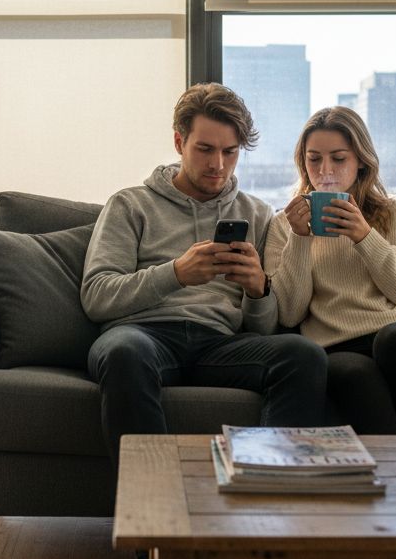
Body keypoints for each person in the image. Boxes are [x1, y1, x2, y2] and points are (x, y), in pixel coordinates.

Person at [81, 83, 328, 460]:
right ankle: (153, 501)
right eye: (205, 149)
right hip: (144, 337)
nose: (218, 165)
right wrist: (176, 273)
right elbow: (97, 297)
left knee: (303, 354)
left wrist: (257, 290)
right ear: (180, 142)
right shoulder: (130, 205)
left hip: (221, 344)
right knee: (122, 352)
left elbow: (263, 328)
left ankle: (270, 488)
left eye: (230, 152)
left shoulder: (259, 214)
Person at [264, 106, 396, 434]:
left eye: (338, 158)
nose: (325, 170)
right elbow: (289, 313)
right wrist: (300, 239)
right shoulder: (286, 226)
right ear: (303, 163)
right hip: (340, 346)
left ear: (361, 161)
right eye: (314, 159)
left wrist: (365, 237)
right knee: (355, 375)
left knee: (393, 339)